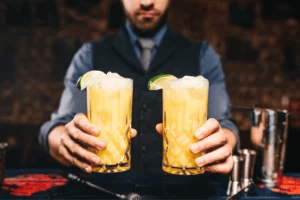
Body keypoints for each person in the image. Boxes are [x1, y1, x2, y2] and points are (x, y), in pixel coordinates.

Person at [39, 0, 239, 196]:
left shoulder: (204, 56)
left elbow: (224, 126)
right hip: (102, 193)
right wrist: (63, 140)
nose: (146, 2)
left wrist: (224, 143)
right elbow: (58, 126)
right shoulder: (88, 55)